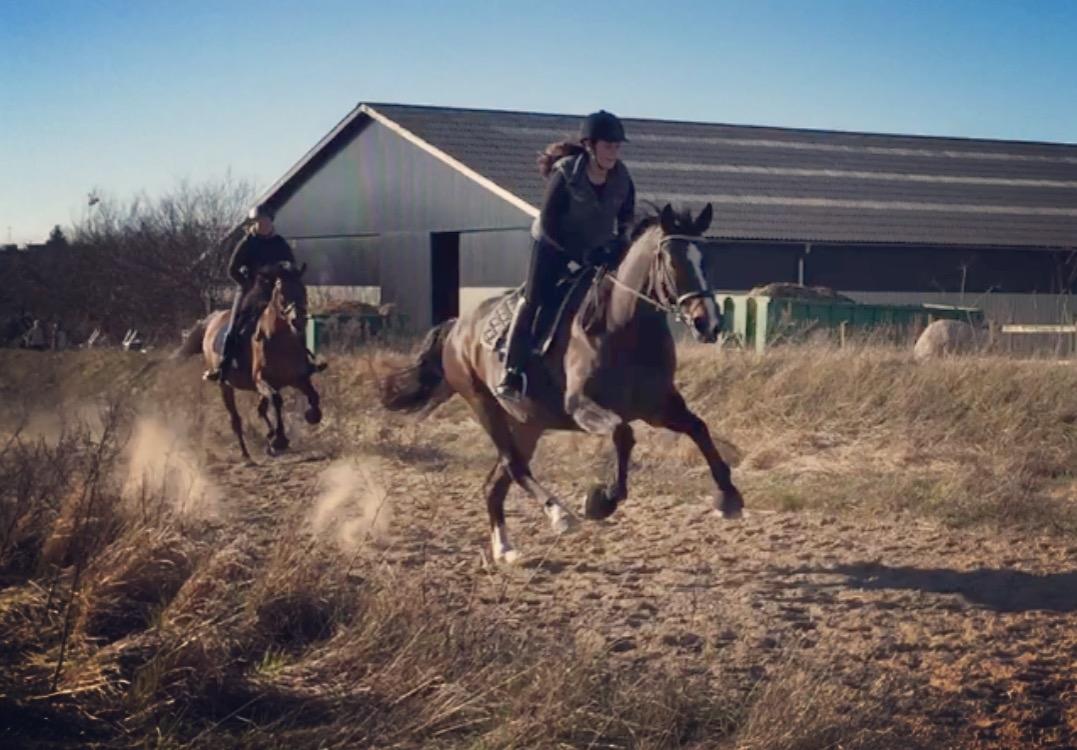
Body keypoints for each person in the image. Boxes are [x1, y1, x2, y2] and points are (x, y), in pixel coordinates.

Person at [496, 110, 636, 400]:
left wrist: (618, 246)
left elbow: (626, 220)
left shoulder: (622, 177)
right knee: (534, 300)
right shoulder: (566, 173)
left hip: (595, 249)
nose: (614, 152)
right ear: (590, 145)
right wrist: (578, 254)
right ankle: (512, 372)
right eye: (608, 146)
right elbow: (548, 222)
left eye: (617, 146)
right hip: (552, 245)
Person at [204, 205, 299, 382]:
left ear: (271, 221)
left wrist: (288, 278)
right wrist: (247, 284)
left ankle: (306, 361)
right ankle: (223, 365)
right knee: (234, 326)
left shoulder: (280, 243)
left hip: (276, 292)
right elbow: (232, 269)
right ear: (254, 224)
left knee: (295, 319)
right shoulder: (247, 243)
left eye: (266, 221)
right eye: (259, 222)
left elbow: (291, 265)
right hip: (251, 291)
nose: (263, 225)